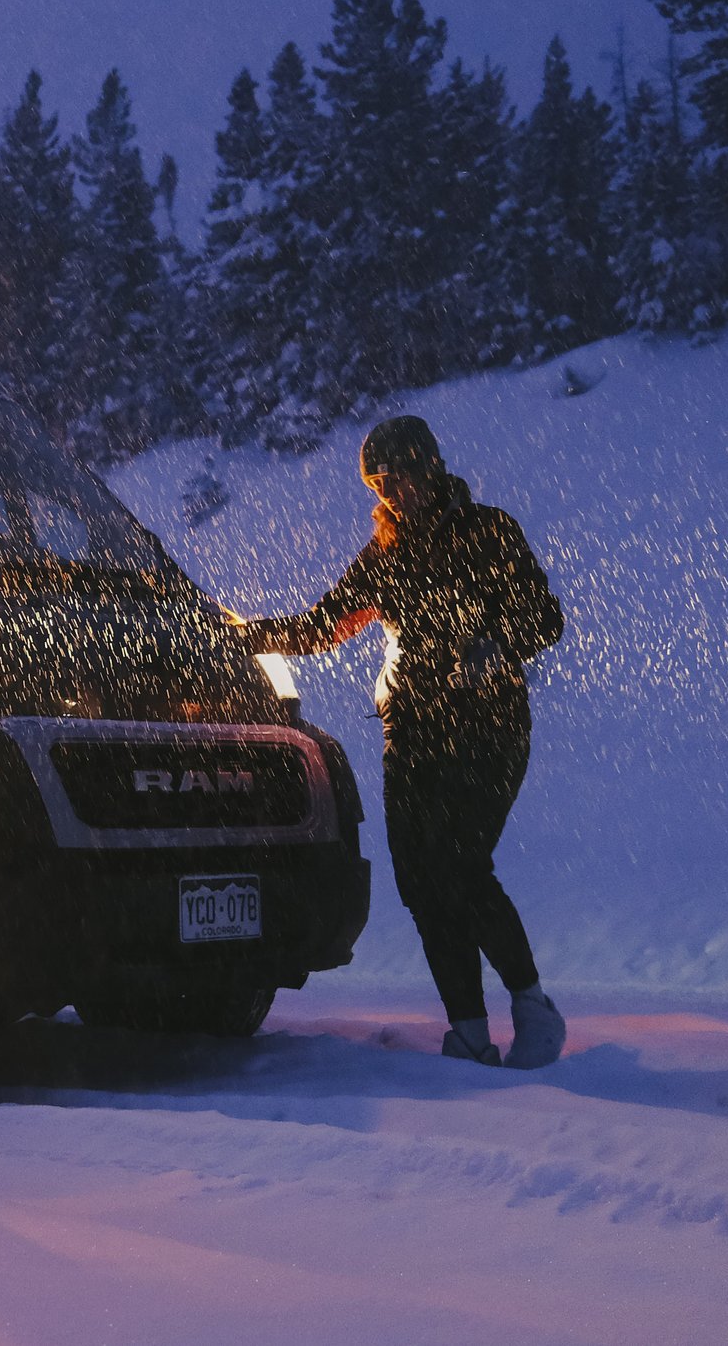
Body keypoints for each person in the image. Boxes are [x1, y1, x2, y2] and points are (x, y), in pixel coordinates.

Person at [239, 415, 568, 1068]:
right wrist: (244, 634)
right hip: (411, 732)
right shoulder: (385, 552)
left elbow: (545, 615)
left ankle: (532, 1004)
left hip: (488, 726)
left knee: (461, 867)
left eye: (400, 476)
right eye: (379, 482)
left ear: (431, 467)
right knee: (421, 881)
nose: (392, 492)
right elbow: (322, 626)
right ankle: (469, 1031)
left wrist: (496, 643)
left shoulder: (488, 531)